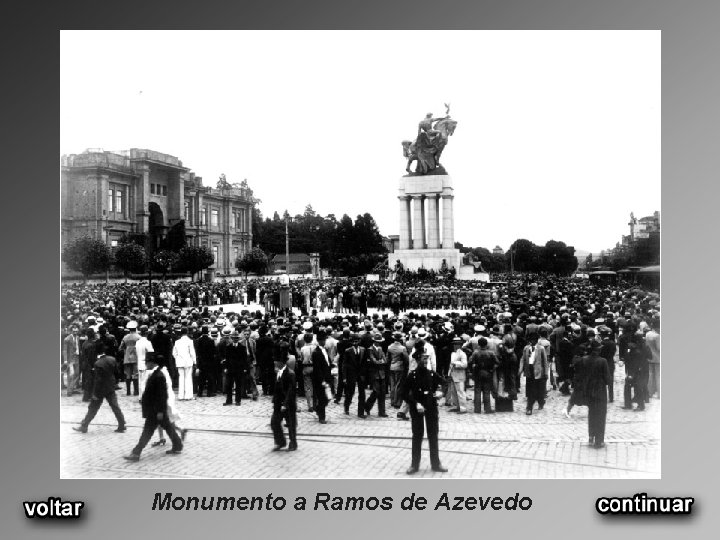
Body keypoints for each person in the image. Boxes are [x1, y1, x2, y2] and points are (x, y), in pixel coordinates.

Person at [124, 354, 183, 461]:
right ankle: (178, 445)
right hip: (156, 409)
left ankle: (136, 452)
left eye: (147, 362)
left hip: (155, 410)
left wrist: (160, 411)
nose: (145, 364)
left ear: (152, 363)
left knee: (147, 432)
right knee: (168, 427)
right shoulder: (156, 373)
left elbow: (162, 395)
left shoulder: (159, 375)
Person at [401, 342, 448, 475]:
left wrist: (441, 393)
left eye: (427, 358)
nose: (426, 360)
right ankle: (414, 465)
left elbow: (445, 383)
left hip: (431, 407)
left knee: (433, 435)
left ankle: (436, 463)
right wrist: (415, 403)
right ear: (417, 360)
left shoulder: (432, 374)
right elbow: (403, 393)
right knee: (417, 435)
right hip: (417, 409)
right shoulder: (412, 375)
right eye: (423, 358)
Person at [73, 341, 126, 433]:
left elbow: (98, 381)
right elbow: (117, 373)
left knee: (93, 408)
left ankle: (84, 425)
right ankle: (122, 424)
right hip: (110, 387)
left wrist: (95, 393)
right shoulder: (112, 359)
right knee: (115, 406)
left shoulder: (98, 363)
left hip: (100, 390)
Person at [582, 340, 611, 448]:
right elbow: (608, 379)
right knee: (601, 415)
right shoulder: (603, 361)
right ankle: (599, 440)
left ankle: (591, 436)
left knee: (592, 414)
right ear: (598, 350)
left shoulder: (584, 360)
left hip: (589, 391)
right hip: (600, 392)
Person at [271, 344, 298, 451]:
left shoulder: (290, 374)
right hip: (278, 403)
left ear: (281, 363)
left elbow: (291, 391)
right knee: (274, 422)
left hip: (288, 404)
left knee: (291, 424)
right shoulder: (277, 373)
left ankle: (293, 443)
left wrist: (285, 404)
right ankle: (280, 442)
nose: (274, 363)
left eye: (276, 362)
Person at [519, 333, 549, 415]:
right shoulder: (526, 348)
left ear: (536, 340)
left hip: (538, 372)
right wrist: (520, 370)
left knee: (539, 389)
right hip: (529, 371)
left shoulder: (541, 349)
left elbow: (545, 362)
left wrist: (546, 373)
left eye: (534, 340)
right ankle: (529, 407)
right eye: (531, 340)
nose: (532, 342)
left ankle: (540, 402)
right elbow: (523, 359)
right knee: (530, 390)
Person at [470, 337, 498, 414]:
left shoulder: (475, 352)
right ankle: (487, 409)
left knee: (477, 391)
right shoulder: (491, 353)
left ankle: (477, 409)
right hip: (488, 373)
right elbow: (497, 362)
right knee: (486, 391)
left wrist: (473, 369)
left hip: (478, 372)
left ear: (479, 344)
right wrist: (492, 369)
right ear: (486, 344)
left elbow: (470, 361)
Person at [342, 333, 367, 418]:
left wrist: (365, 374)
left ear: (359, 341)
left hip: (361, 374)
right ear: (352, 342)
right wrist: (344, 377)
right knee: (350, 392)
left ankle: (361, 412)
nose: (355, 343)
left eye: (357, 341)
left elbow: (364, 363)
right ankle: (346, 407)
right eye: (354, 342)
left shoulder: (363, 350)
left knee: (362, 393)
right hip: (351, 374)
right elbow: (344, 365)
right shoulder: (348, 351)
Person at [311, 331, 333, 424]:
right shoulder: (316, 352)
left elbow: (326, 363)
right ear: (319, 341)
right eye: (323, 340)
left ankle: (318, 409)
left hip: (327, 376)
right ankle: (322, 417)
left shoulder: (324, 350)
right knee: (322, 398)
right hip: (320, 378)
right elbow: (317, 368)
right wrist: (322, 380)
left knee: (328, 397)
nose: (325, 341)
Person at [364, 334, 388, 417]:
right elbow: (373, 360)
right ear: (374, 341)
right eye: (377, 342)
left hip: (381, 373)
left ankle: (382, 411)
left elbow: (385, 360)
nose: (379, 343)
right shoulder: (370, 349)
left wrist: (380, 361)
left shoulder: (380, 349)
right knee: (376, 392)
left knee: (382, 393)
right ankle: (367, 406)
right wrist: (379, 361)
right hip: (374, 374)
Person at [172, 326, 197, 400]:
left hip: (180, 362)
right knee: (188, 378)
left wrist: (177, 358)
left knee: (181, 378)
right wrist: (194, 361)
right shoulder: (190, 341)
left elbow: (174, 353)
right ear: (187, 332)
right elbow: (192, 353)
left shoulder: (177, 342)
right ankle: (188, 395)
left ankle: (181, 395)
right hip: (188, 361)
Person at [387, 331, 409, 408]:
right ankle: (397, 401)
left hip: (391, 367)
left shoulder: (389, 347)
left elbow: (388, 358)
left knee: (392, 384)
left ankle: (392, 400)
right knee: (398, 385)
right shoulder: (402, 348)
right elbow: (406, 359)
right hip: (400, 367)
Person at [195, 325, 218, 397]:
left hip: (201, 362)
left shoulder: (198, 340)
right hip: (209, 362)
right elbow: (214, 352)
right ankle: (209, 392)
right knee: (210, 377)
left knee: (201, 378)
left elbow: (197, 352)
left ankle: (200, 392)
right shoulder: (211, 340)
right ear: (208, 332)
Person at [118, 320, 141, 396]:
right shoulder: (138, 337)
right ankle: (136, 391)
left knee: (128, 374)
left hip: (127, 357)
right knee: (135, 374)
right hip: (136, 357)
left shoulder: (125, 337)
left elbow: (120, 348)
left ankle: (128, 391)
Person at [448, 337, 468, 413]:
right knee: (453, 392)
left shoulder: (462, 354)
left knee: (460, 392)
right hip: (453, 374)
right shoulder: (453, 353)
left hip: (459, 375)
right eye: (454, 344)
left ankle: (463, 408)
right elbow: (450, 365)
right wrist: (449, 374)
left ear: (460, 345)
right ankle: (457, 406)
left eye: (457, 344)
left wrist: (456, 363)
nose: (455, 346)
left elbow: (465, 364)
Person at [62, 325, 81, 397]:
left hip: (77, 358)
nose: (75, 332)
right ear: (71, 331)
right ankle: (69, 391)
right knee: (70, 375)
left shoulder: (78, 337)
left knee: (77, 374)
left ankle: (71, 388)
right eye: (74, 331)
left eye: (76, 331)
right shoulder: (67, 339)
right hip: (70, 359)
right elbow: (64, 350)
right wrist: (66, 360)